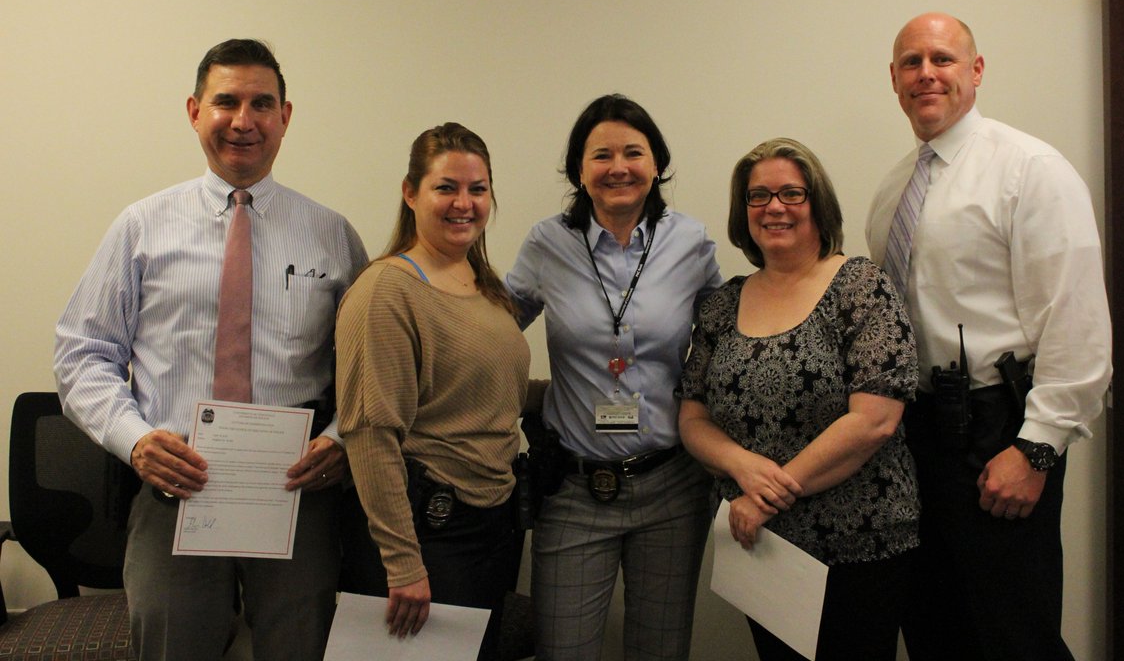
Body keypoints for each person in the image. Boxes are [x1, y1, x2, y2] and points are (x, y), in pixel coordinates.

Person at [54, 39, 368, 661]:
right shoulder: (142, 226)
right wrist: (136, 440)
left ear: (286, 117)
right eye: (226, 102)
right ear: (195, 111)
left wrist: (341, 438)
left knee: (300, 648)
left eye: (261, 104)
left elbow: (370, 370)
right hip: (177, 490)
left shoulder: (332, 235)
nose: (243, 121)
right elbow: (81, 352)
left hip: (295, 495)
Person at [865, 12, 1112, 661]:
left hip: (997, 429)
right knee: (932, 626)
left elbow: (1076, 318)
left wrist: (1038, 448)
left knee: (1012, 632)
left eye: (943, 59)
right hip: (914, 435)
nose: (927, 73)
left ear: (976, 71)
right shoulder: (893, 190)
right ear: (893, 80)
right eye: (911, 62)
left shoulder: (1029, 170)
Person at [678, 138, 920, 661]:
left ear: (818, 204)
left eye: (791, 192)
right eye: (758, 196)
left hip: (859, 540)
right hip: (761, 546)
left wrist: (766, 495)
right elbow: (692, 414)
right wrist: (741, 466)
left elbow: (874, 422)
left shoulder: (862, 286)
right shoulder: (722, 304)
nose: (774, 207)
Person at [506, 93, 721, 660]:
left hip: (672, 486)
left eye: (634, 152)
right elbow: (492, 332)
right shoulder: (546, 243)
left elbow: (729, 344)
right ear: (580, 169)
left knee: (661, 650)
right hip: (576, 490)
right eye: (601, 155)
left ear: (656, 164)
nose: (618, 167)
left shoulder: (692, 244)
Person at [335, 123, 530, 661]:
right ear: (410, 192)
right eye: (446, 187)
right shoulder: (386, 291)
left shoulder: (484, 284)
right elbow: (371, 434)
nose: (463, 203)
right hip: (426, 536)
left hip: (491, 526)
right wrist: (402, 563)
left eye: (478, 189)